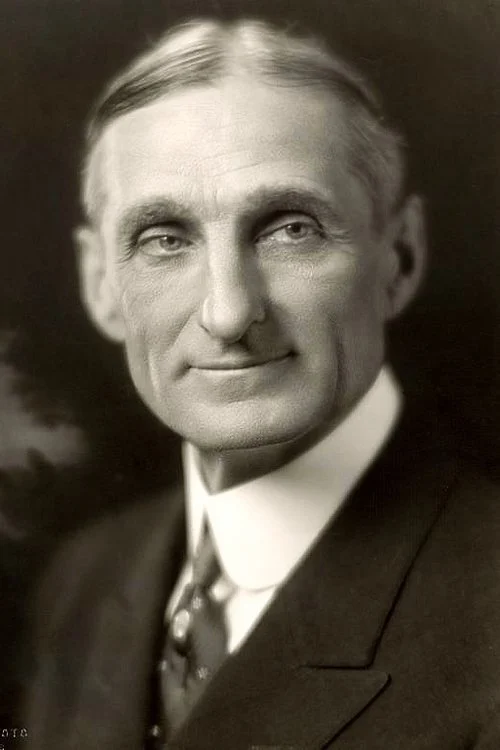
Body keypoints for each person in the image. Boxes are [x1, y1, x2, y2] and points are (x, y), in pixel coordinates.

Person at [22, 18, 500, 750]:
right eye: (164, 239)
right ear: (100, 286)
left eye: (290, 229)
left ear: (399, 258)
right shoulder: (83, 580)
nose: (228, 311)